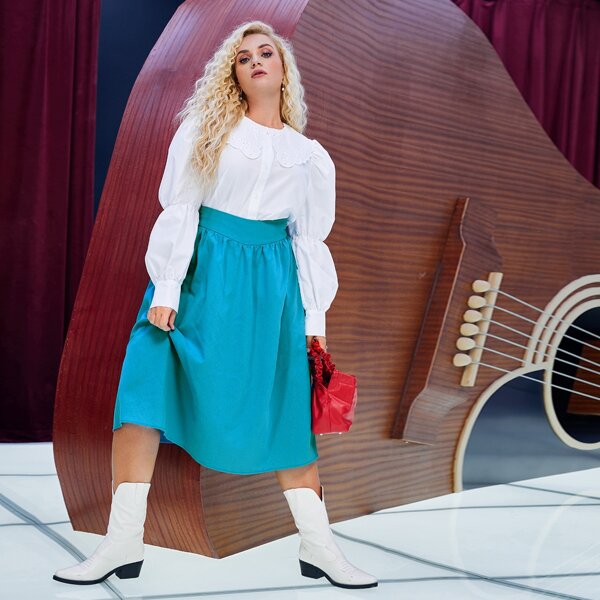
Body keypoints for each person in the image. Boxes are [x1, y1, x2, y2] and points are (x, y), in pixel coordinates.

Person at [53, 20, 377, 590]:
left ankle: (320, 548)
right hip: (198, 276)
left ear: (283, 69)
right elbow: (180, 207)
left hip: (270, 291)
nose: (256, 61)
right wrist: (168, 288)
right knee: (142, 395)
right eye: (243, 57)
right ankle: (121, 543)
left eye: (266, 52)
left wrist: (314, 322)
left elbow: (308, 241)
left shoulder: (310, 157)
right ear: (234, 74)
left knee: (285, 414)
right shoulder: (206, 131)